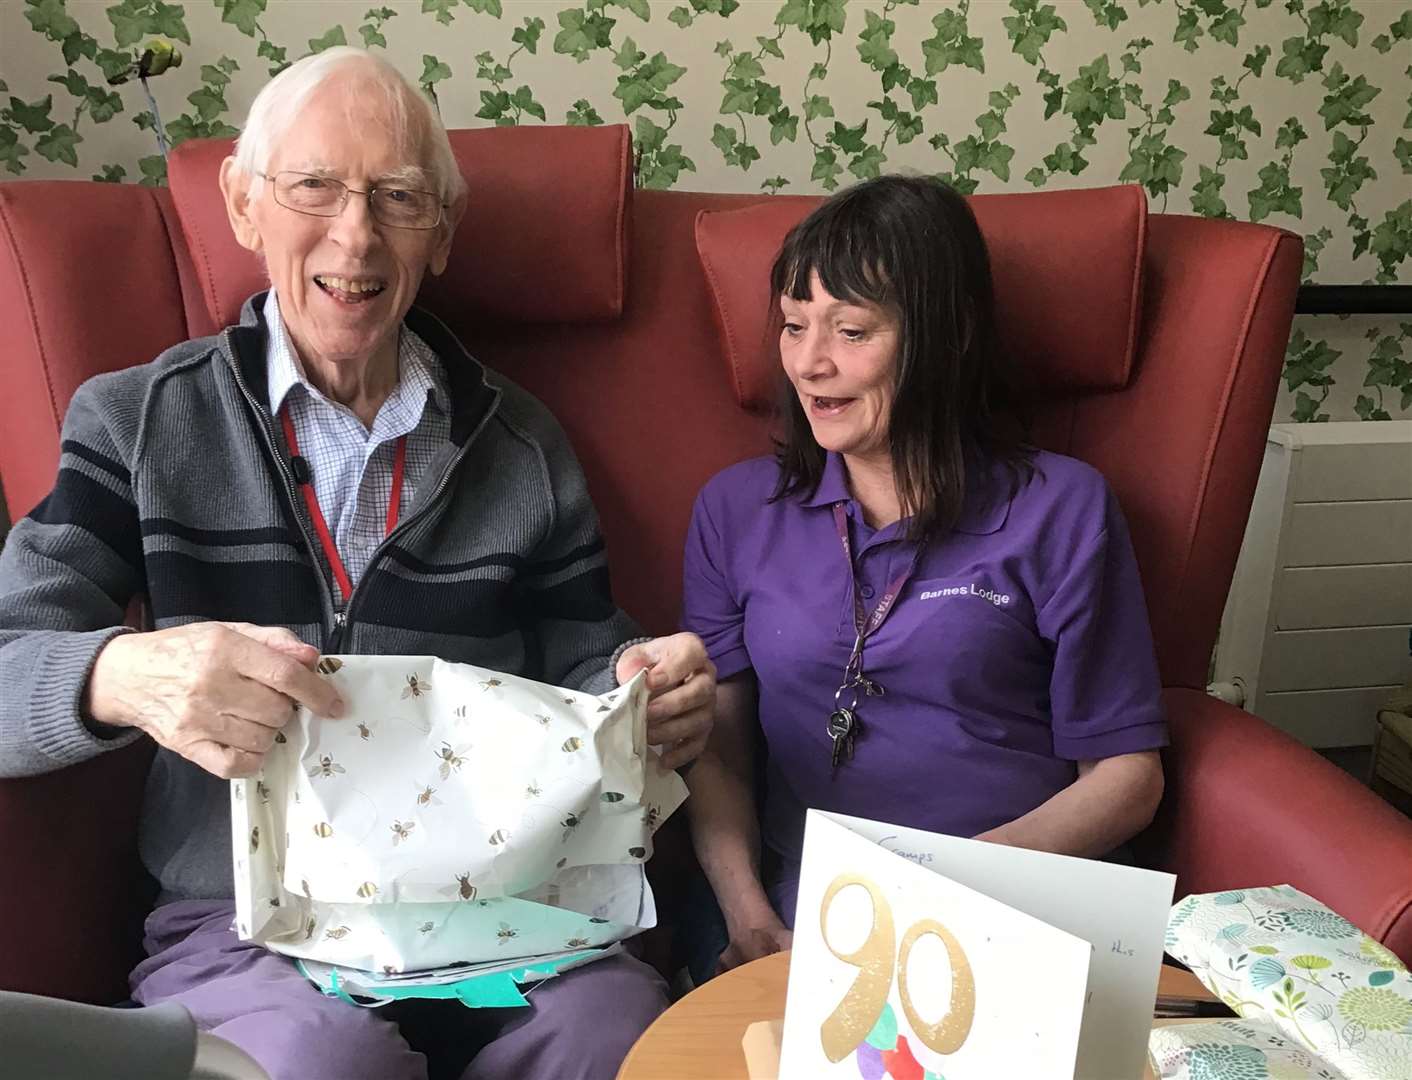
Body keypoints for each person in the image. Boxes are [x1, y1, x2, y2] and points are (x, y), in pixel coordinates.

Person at [0, 47, 716, 1080]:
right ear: (244, 207)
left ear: (441, 237)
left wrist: (638, 699)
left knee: (624, 1041)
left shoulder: (522, 446)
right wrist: (127, 675)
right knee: (322, 1064)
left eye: (398, 197)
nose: (355, 233)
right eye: (313, 187)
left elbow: (584, 674)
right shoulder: (139, 422)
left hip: (497, 910)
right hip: (250, 921)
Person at [680, 175, 1166, 977]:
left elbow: (1125, 775)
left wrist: (955, 887)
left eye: (852, 331)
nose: (809, 363)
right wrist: (750, 918)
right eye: (794, 326)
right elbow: (720, 756)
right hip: (805, 909)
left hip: (1015, 899)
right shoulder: (735, 511)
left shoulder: (1063, 508)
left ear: (950, 334)